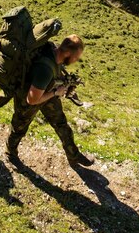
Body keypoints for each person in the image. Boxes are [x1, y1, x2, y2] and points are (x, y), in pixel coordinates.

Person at [6, 34, 92, 167]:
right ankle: (10, 153)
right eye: (76, 57)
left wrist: (63, 86)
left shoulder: (54, 51)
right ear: (68, 53)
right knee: (18, 128)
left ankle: (73, 155)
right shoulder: (44, 70)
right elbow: (32, 99)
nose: (76, 60)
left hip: (47, 92)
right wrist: (55, 93)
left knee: (61, 124)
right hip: (28, 98)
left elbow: (55, 74)